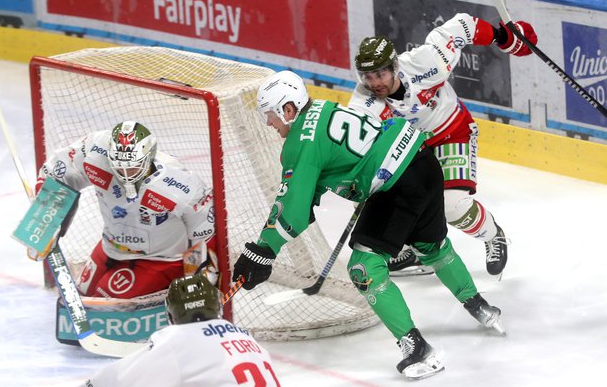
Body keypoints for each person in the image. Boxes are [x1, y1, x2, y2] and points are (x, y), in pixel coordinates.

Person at [233, 71, 504, 380]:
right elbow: (309, 198)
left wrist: (261, 251)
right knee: (431, 245)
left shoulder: (299, 143)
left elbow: (291, 211)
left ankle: (417, 347)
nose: (269, 124)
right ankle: (479, 306)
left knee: (364, 266)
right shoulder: (322, 109)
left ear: (289, 110)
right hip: (425, 165)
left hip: (397, 184)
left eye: (270, 115)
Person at [349, 14, 538, 277]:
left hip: (451, 130)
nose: (375, 83)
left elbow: (463, 25)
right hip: (412, 151)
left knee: (450, 204)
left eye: (380, 73)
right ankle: (423, 252)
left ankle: (492, 235)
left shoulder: (425, 62)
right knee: (402, 199)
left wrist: (501, 36)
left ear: (394, 66)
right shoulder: (362, 104)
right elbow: (358, 144)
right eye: (367, 76)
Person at [36, 120, 218, 298]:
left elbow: (204, 235)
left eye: (132, 167)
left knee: (100, 307)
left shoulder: (180, 185)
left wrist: (197, 280)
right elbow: (56, 171)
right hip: (110, 247)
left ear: (149, 157)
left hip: (158, 260)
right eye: (119, 166)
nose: (125, 174)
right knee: (81, 296)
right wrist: (44, 218)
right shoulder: (94, 153)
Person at [79, 273, 281, 386]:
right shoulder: (245, 336)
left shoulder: (175, 340)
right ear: (217, 307)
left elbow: (121, 379)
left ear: (171, 314)